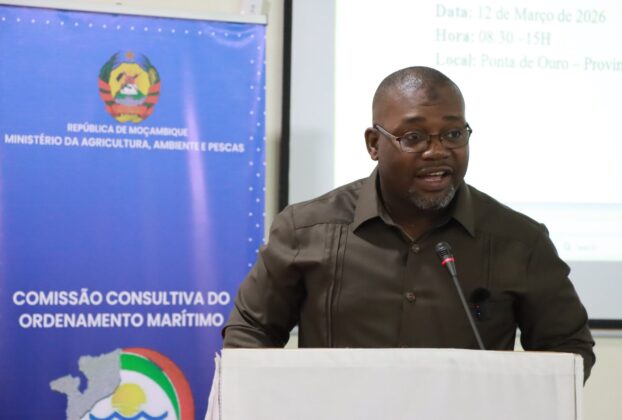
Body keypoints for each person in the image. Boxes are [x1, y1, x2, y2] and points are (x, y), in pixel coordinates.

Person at [222, 66, 596, 379]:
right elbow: (250, 333)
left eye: (453, 134)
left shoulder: (520, 241)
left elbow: (569, 351)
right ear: (373, 144)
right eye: (414, 137)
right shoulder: (306, 230)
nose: (437, 151)